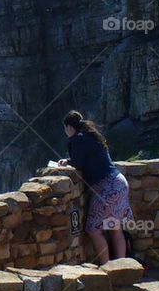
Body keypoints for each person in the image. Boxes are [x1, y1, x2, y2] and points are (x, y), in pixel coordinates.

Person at [57, 110, 133, 264]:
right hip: (119, 182)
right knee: (115, 229)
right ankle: (123, 268)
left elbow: (78, 163)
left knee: (93, 230)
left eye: (65, 128)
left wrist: (66, 162)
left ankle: (107, 269)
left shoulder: (78, 139)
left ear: (69, 127)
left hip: (107, 187)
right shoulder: (92, 135)